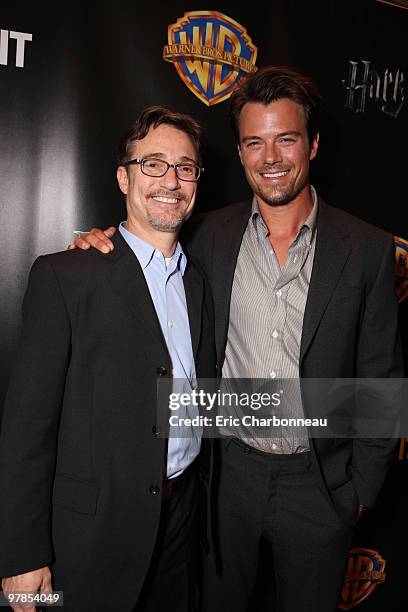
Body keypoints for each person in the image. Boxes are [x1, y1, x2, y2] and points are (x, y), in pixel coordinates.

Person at [70, 67, 403, 612]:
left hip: (318, 483)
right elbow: (145, 248)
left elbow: (380, 375)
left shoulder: (365, 248)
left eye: (286, 139)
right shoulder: (206, 234)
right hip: (226, 479)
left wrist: (358, 493)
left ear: (313, 144)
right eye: (254, 142)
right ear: (241, 152)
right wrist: (95, 244)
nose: (270, 157)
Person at [0, 106, 216, 612]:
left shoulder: (199, 282)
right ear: (124, 177)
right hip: (90, 539)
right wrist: (21, 555)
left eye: (185, 167)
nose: (171, 180)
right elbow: (27, 429)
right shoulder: (68, 276)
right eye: (153, 164)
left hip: (181, 527)